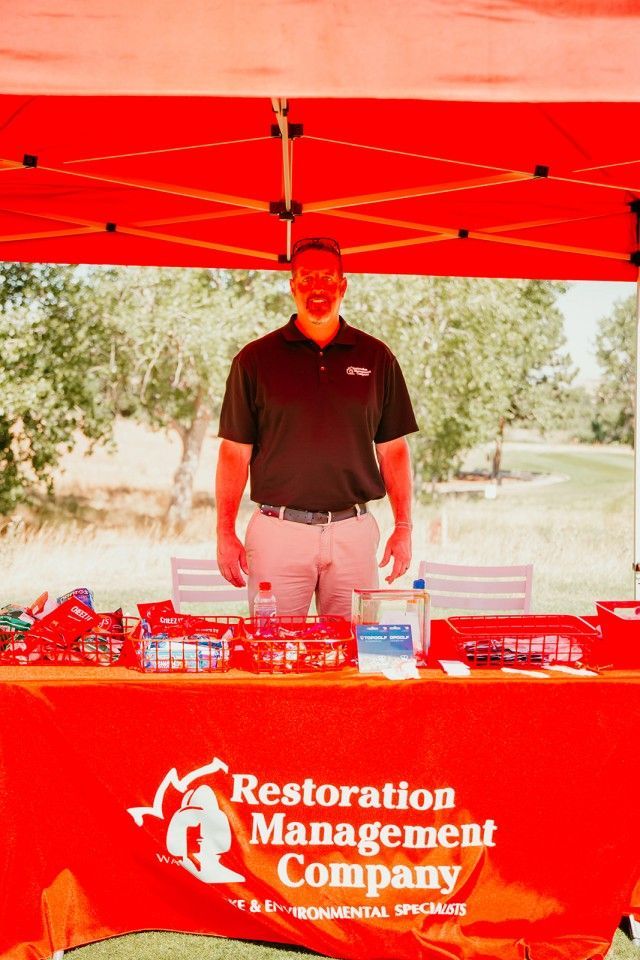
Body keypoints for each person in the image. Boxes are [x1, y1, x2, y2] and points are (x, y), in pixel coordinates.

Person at [215, 236, 418, 619]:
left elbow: (393, 450)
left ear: (343, 286)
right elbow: (233, 452)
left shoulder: (377, 358)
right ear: (292, 287)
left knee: (354, 652)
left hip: (353, 533)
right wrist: (224, 531)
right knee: (273, 654)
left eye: (327, 278)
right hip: (278, 532)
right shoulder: (255, 360)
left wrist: (403, 526)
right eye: (306, 278)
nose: (317, 288)